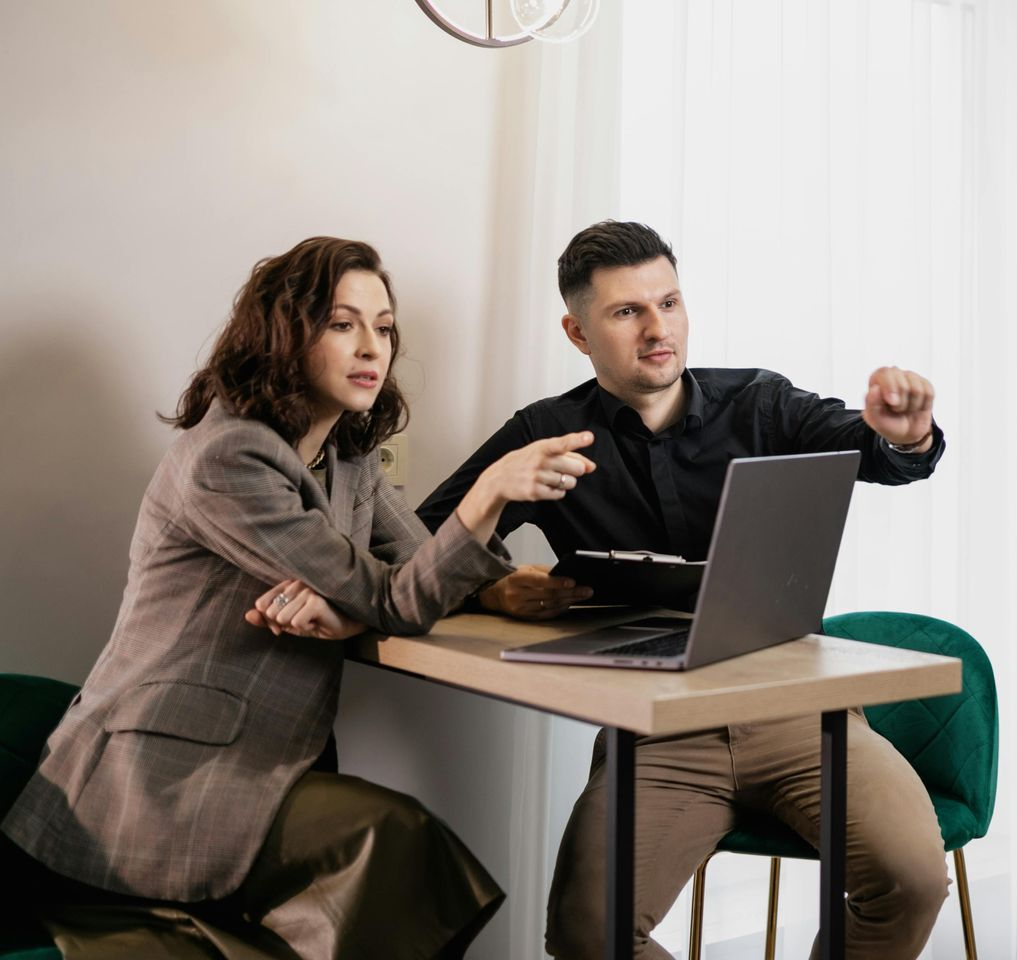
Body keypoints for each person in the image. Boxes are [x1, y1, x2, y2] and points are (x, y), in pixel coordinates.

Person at [1, 237, 593, 958]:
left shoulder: (348, 453)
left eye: (384, 326)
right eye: (343, 324)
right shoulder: (229, 457)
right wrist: (489, 494)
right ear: (285, 332)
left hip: (256, 761)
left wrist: (387, 603)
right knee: (396, 841)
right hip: (157, 772)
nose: (372, 346)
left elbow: (409, 570)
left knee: (395, 863)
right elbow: (403, 597)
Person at [416, 220, 949, 959]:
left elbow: (883, 456)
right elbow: (419, 544)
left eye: (668, 303)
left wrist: (906, 435)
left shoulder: (760, 405)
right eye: (627, 312)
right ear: (577, 332)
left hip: (798, 712)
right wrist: (491, 589)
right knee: (586, 934)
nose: (657, 328)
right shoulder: (548, 432)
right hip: (656, 731)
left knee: (913, 879)